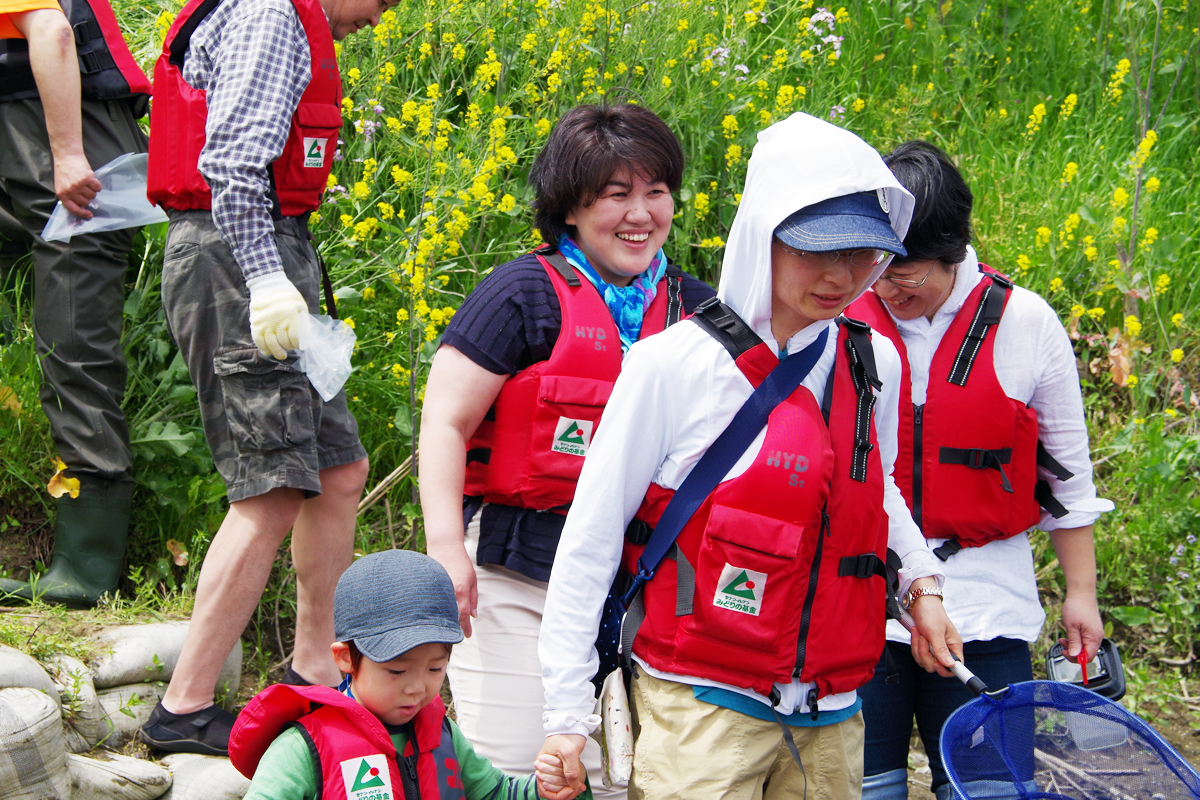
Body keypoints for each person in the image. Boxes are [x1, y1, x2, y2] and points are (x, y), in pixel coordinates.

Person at [536, 112, 962, 800]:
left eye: (861, 255)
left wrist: (923, 586)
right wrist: (565, 713)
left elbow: (873, 487)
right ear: (763, 236)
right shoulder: (671, 366)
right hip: (702, 711)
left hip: (832, 716)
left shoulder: (870, 359)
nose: (841, 276)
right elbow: (590, 538)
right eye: (815, 251)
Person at [418, 103, 715, 797]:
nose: (641, 213)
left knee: (631, 782)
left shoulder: (698, 310)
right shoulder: (523, 294)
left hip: (646, 588)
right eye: (617, 195)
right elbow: (445, 422)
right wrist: (445, 550)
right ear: (571, 209)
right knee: (519, 776)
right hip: (519, 576)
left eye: (656, 191)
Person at [136, 0, 382, 756]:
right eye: (385, 3)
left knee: (339, 469)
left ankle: (314, 674)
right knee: (272, 483)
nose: (377, 20)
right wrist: (268, 280)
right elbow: (235, 166)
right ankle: (184, 706)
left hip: (266, 255)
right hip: (236, 258)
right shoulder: (274, 14)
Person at [846, 141, 1114, 800]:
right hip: (859, 604)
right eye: (875, 268)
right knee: (862, 788)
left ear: (954, 251)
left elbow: (1068, 482)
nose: (885, 288)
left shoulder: (1027, 324)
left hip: (987, 607)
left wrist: (1081, 594)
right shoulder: (837, 316)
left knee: (989, 789)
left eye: (905, 274)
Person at [0, 0, 150, 605]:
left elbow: (55, 33)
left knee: (75, 346)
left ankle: (87, 567)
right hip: (28, 135)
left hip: (65, 142)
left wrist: (67, 154)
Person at [228, 549, 590, 800]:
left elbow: (495, 792)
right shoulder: (303, 747)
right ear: (345, 659)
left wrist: (546, 788)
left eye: (436, 668)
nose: (418, 688)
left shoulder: (443, 734)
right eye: (396, 670)